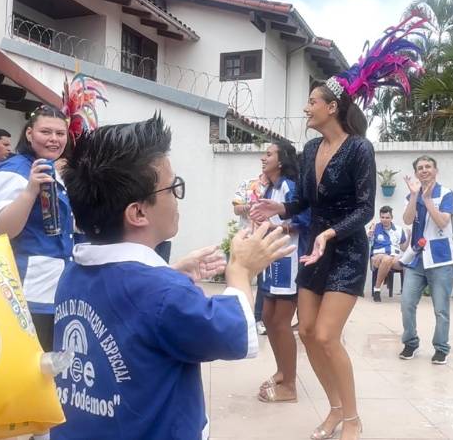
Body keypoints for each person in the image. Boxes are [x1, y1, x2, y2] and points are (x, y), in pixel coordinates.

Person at [51, 114, 295, 440]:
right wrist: (241, 271)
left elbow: (126, 302)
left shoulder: (73, 274)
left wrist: (169, 271)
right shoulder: (164, 293)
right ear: (138, 212)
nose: (178, 197)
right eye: (172, 187)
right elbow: (231, 330)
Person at [252, 14, 425, 440]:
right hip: (314, 250)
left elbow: (365, 208)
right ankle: (333, 409)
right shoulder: (311, 148)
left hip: (345, 250)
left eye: (312, 102)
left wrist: (330, 233)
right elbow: (306, 202)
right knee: (307, 334)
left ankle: (352, 419)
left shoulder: (359, 150)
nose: (306, 109)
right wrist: (281, 206)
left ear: (332, 107)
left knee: (327, 335)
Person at [0, 106, 72, 354]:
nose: (54, 139)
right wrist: (31, 189)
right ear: (30, 133)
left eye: (60, 133)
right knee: (31, 364)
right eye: (46, 132)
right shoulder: (14, 171)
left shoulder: (52, 168)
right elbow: (2, 230)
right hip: (28, 292)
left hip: (57, 289)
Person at [256, 139, 310, 404]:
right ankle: (281, 371)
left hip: (288, 260)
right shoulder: (270, 189)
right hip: (272, 257)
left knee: (280, 321)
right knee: (267, 316)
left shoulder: (290, 187)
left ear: (281, 160)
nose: (263, 158)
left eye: (268, 154)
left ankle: (290, 384)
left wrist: (278, 228)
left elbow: (304, 220)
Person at [399, 155, 453, 365]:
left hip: (440, 258)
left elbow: (442, 222)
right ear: (415, 174)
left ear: (435, 170)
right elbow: (406, 219)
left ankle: (441, 348)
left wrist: (428, 200)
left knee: (440, 308)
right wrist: (415, 196)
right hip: (417, 258)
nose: (424, 170)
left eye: (428, 167)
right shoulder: (411, 195)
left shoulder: (446, 193)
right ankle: (411, 342)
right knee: (406, 303)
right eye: (420, 168)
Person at [233, 172, 270, 334]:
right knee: (240, 278)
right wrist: (249, 206)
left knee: (263, 281)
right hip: (246, 238)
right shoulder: (248, 183)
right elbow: (236, 208)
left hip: (265, 239)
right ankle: (237, 317)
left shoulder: (277, 187)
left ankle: (257, 319)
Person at [368, 206, 409, 302]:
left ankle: (406, 291)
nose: (384, 220)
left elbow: (403, 247)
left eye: (387, 217)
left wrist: (409, 237)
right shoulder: (375, 228)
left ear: (391, 218)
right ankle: (377, 290)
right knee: (386, 259)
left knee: (407, 262)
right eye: (382, 217)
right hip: (378, 256)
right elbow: (369, 241)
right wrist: (370, 233)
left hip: (394, 256)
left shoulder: (398, 229)